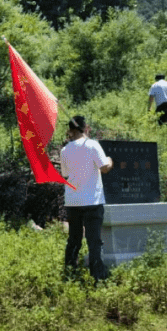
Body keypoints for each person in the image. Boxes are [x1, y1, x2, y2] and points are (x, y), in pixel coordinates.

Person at [60, 115, 113, 281]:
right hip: (92, 200)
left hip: (73, 200)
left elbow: (65, 174)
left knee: (74, 238)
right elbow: (104, 168)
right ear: (86, 127)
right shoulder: (92, 145)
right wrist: (110, 160)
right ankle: (97, 275)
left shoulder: (65, 150)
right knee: (94, 240)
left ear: (70, 130)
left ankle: (70, 271)